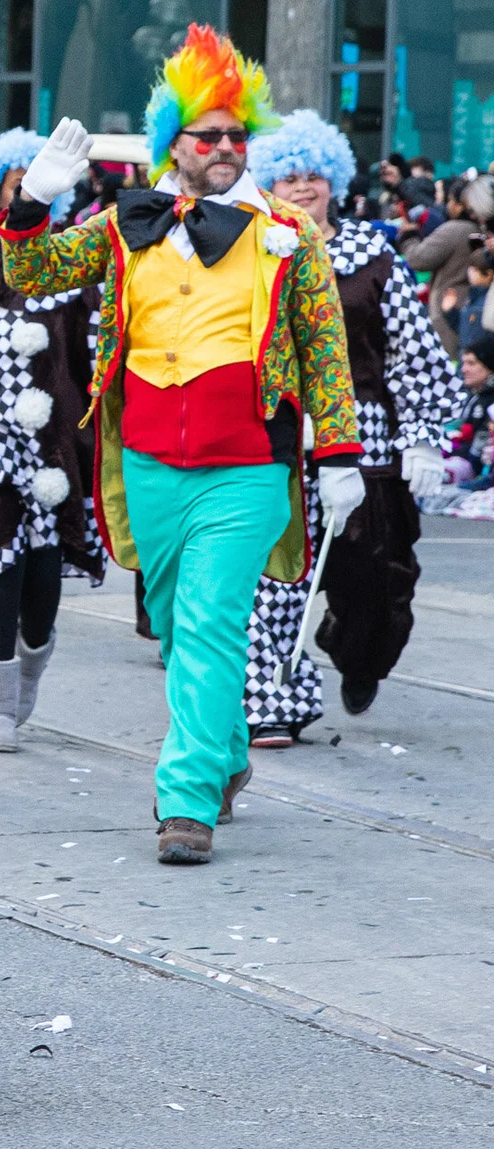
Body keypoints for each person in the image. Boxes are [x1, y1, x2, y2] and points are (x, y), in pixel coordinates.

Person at [0, 24, 364, 864]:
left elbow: (323, 347)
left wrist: (338, 453)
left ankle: (186, 799)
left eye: (239, 134)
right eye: (211, 135)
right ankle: (225, 751)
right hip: (149, 465)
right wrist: (31, 202)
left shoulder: (288, 236)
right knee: (172, 625)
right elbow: (29, 273)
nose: (229, 147)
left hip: (246, 469)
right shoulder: (125, 225)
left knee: (208, 626)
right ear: (176, 146)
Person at [243, 110, 464, 744]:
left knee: (376, 579)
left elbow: (412, 348)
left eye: (315, 176)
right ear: (270, 188)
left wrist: (422, 432)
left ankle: (354, 649)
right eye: (289, 180)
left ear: (335, 180)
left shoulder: (372, 256)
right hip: (277, 442)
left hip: (364, 440)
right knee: (273, 579)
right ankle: (272, 702)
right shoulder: (253, 253)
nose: (304, 188)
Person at [0, 128, 104, 750]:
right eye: (10, 184)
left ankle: (34, 653)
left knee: (41, 571)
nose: (18, 194)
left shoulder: (69, 269)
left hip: (55, 444)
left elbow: (91, 359)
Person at [396, 178, 480, 356]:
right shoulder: (478, 230)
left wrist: (408, 236)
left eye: (451, 200)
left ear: (460, 204)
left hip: (446, 314)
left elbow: (418, 259)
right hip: (465, 311)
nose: (448, 205)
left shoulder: (455, 229)